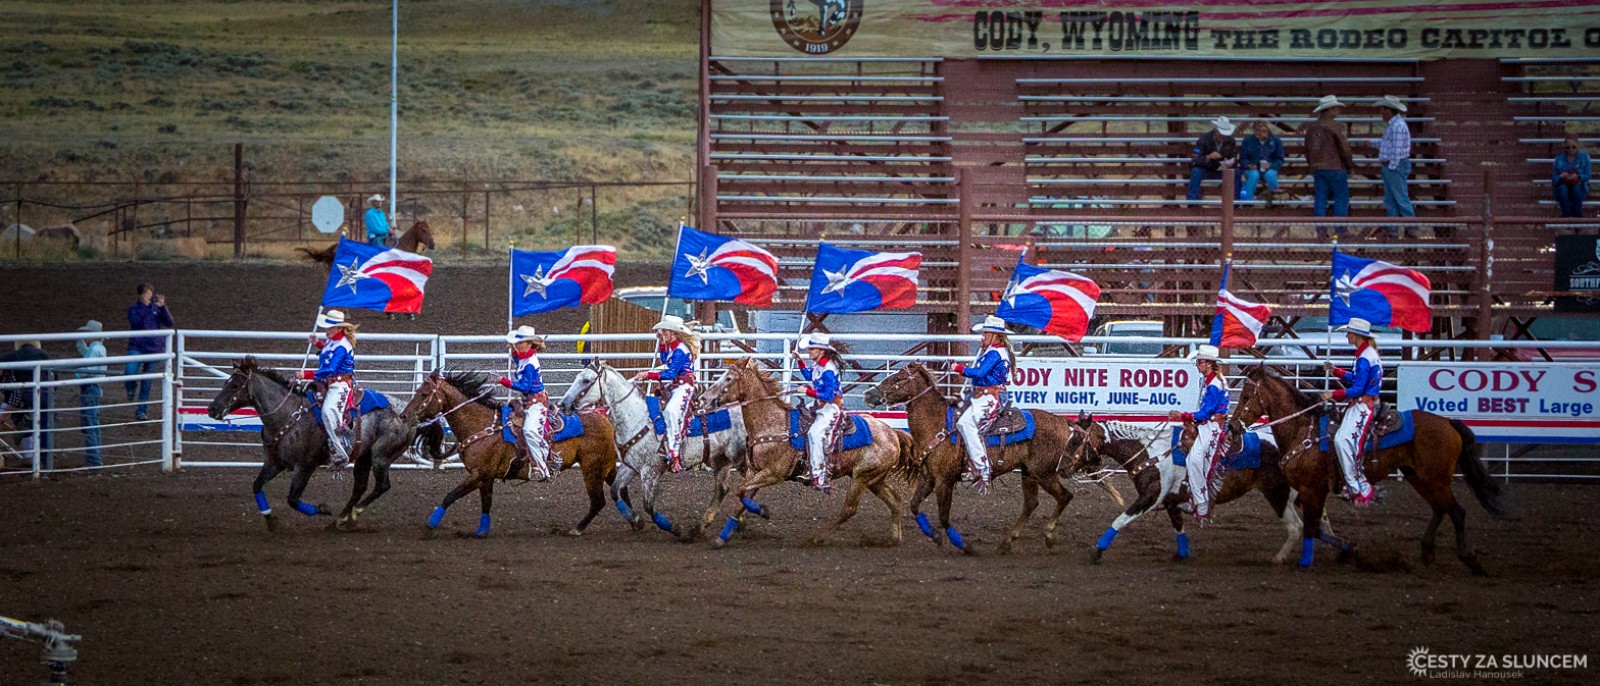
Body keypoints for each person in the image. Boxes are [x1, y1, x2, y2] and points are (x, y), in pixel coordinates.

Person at [1321, 317, 1382, 505]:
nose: (1346, 335)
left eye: (1348, 333)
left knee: (1342, 440)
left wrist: (1333, 394)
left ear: (1356, 335)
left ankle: (1357, 488)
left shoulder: (1364, 357)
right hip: (1366, 402)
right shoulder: (1367, 353)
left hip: (1363, 404)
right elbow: (1357, 379)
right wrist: (1337, 371)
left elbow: (1357, 388)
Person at [952, 315, 1014, 493]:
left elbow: (979, 372)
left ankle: (983, 469)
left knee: (966, 423)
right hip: (984, 395)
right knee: (962, 422)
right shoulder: (995, 352)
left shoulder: (995, 353)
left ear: (995, 335)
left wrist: (959, 369)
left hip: (990, 397)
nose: (983, 337)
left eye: (986, 333)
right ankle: (974, 464)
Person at [1168, 344, 1228, 520]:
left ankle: (1201, 505)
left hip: (1213, 426)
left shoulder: (1214, 385)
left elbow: (1205, 413)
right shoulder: (1212, 381)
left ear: (1208, 364)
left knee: (1194, 460)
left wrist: (1184, 416)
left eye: (1200, 362)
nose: (1197, 365)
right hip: (1209, 423)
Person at [633, 315, 698, 474]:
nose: (661, 334)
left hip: (684, 384)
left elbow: (670, 373)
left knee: (671, 411)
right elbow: (666, 363)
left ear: (673, 333)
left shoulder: (681, 350)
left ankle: (675, 454)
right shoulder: (669, 347)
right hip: (674, 384)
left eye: (664, 331)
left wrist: (648, 375)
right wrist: (662, 345)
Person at [302, 310, 358, 469]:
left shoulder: (342, 346)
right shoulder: (333, 341)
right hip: (328, 382)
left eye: (330, 328)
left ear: (339, 328)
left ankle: (340, 452)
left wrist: (305, 373)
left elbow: (331, 368)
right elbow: (327, 349)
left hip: (339, 384)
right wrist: (317, 343)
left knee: (328, 411)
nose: (326, 330)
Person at [499, 325, 555, 481]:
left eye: (519, 343)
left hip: (536, 402)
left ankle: (543, 469)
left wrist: (504, 381)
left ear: (529, 344)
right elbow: (516, 357)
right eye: (516, 343)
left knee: (530, 431)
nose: (517, 346)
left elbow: (525, 386)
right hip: (530, 400)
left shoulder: (530, 363)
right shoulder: (524, 357)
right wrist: (512, 347)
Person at [792, 333, 846, 492]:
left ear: (821, 351)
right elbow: (809, 375)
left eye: (811, 348)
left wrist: (807, 391)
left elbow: (829, 396)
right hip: (819, 404)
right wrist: (799, 361)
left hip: (830, 407)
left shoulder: (828, 369)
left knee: (814, 434)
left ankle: (819, 476)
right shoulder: (819, 366)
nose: (809, 351)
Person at [1300, 95, 1354, 237]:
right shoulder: (1336, 126)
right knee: (1341, 197)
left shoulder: (1311, 128)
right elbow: (1345, 149)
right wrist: (1350, 166)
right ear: (1329, 109)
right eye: (1336, 108)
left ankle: (1321, 230)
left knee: (1320, 198)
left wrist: (1312, 165)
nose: (1338, 110)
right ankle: (1340, 230)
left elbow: (1307, 149)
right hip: (1335, 167)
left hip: (1318, 167)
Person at [0, 341, 53, 470]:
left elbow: (14, 395)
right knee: (44, 425)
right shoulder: (43, 355)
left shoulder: (13, 358)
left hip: (27, 393)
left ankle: (29, 452)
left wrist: (4, 415)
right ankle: (42, 461)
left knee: (23, 421)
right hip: (46, 391)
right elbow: (52, 373)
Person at [125, 282, 174, 421]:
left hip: (154, 348)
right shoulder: (134, 309)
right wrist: (147, 308)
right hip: (137, 346)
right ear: (140, 295)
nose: (149, 296)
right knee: (130, 371)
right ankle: (130, 388)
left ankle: (142, 411)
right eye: (146, 293)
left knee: (147, 381)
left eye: (150, 293)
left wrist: (163, 307)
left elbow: (170, 322)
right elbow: (136, 321)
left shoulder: (157, 309)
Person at [1375, 95, 1417, 237]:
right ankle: (1396, 228)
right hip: (1393, 165)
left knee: (1399, 196)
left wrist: (1392, 165)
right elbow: (1390, 145)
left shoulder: (1397, 126)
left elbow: (1396, 150)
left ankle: (1409, 226)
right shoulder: (1395, 125)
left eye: (1382, 109)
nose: (1380, 111)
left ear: (1388, 110)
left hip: (1395, 165)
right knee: (1392, 197)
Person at [76, 321, 109, 468]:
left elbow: (86, 368)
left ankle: (94, 460)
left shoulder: (94, 350)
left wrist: (75, 374)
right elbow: (83, 351)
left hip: (90, 387)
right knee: (93, 423)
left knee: (89, 423)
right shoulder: (98, 348)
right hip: (95, 388)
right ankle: (95, 457)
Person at [1187, 116, 1240, 201]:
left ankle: (1235, 202)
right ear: (1215, 130)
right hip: (1206, 169)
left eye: (1225, 135)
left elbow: (1235, 157)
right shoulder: (1203, 139)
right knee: (1196, 171)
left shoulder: (1231, 141)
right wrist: (1208, 157)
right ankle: (1192, 203)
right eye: (1221, 133)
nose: (1223, 137)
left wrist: (1231, 163)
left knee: (1236, 171)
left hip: (1223, 170)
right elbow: (1194, 160)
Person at [1239, 120, 1285, 202]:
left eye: (1264, 131)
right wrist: (1248, 165)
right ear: (1255, 131)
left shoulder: (1276, 141)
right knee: (1253, 175)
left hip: (1269, 168)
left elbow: (1280, 159)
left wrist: (1270, 165)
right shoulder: (1247, 141)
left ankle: (1274, 200)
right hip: (1252, 168)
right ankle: (1248, 202)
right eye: (1258, 131)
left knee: (1270, 175)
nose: (1260, 133)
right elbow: (1243, 158)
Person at [1553, 134, 1592, 218]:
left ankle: (1577, 216)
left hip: (1579, 185)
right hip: (1563, 185)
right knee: (1563, 189)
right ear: (1565, 148)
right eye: (1568, 147)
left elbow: (1587, 176)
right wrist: (1561, 176)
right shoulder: (1559, 159)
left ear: (1577, 146)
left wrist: (1577, 177)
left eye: (1573, 147)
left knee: (1576, 188)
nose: (1571, 149)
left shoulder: (1584, 157)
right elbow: (1554, 179)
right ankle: (1566, 216)